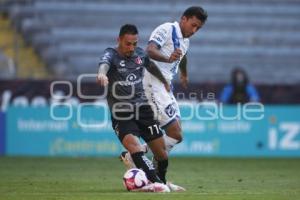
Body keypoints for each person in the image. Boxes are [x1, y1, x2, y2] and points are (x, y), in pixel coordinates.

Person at [120, 6, 207, 191]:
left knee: (176, 135)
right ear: (183, 19)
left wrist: (184, 73)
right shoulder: (167, 29)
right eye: (193, 25)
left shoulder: (185, 41)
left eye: (198, 28)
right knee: (175, 133)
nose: (194, 31)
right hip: (152, 84)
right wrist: (168, 59)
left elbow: (182, 56)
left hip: (165, 87)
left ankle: (142, 158)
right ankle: (150, 170)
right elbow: (149, 51)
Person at [96, 24, 174, 192]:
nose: (131, 48)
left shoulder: (139, 54)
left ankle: (162, 181)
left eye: (134, 43)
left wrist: (164, 81)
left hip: (144, 109)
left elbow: (151, 66)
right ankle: (156, 183)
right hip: (122, 112)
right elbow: (104, 64)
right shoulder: (111, 54)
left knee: (162, 155)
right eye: (127, 44)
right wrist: (102, 73)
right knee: (135, 147)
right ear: (119, 40)